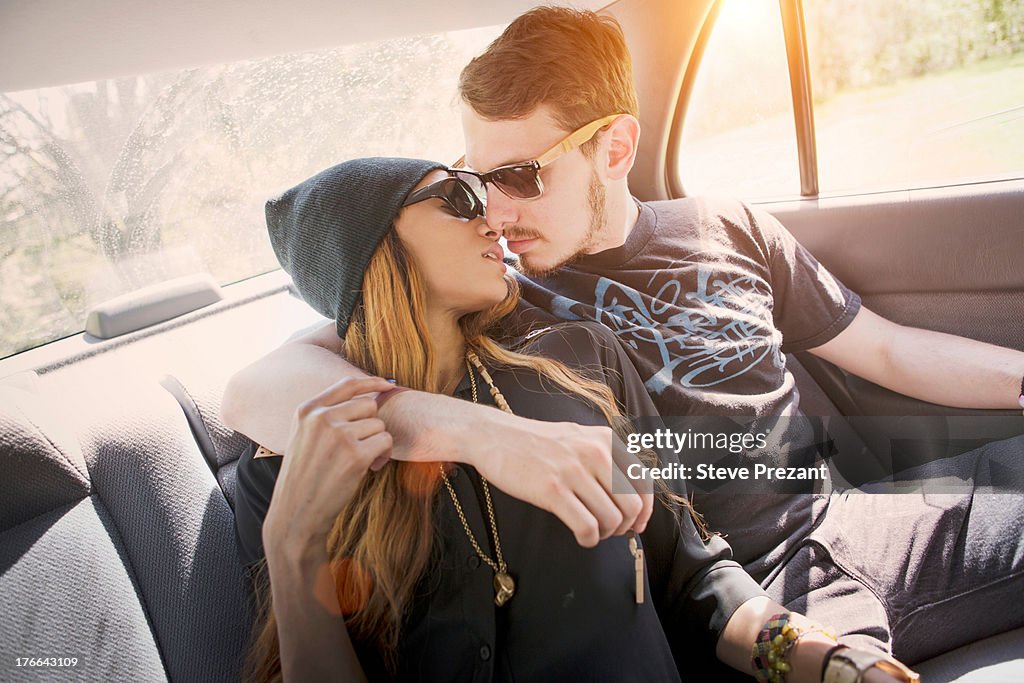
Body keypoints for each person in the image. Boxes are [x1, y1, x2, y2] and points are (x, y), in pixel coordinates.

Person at [223, 5, 1024, 672]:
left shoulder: (728, 225)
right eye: (475, 178)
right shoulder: (502, 304)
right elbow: (260, 386)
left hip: (839, 523)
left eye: (518, 175)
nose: (495, 212)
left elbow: (884, 350)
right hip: (724, 589)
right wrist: (484, 435)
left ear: (614, 147)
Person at [232, 157, 916, 682]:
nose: (493, 218)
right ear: (371, 248)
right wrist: (290, 553)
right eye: (459, 196)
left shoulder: (580, 360)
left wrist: (823, 660)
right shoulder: (305, 458)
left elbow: (699, 580)